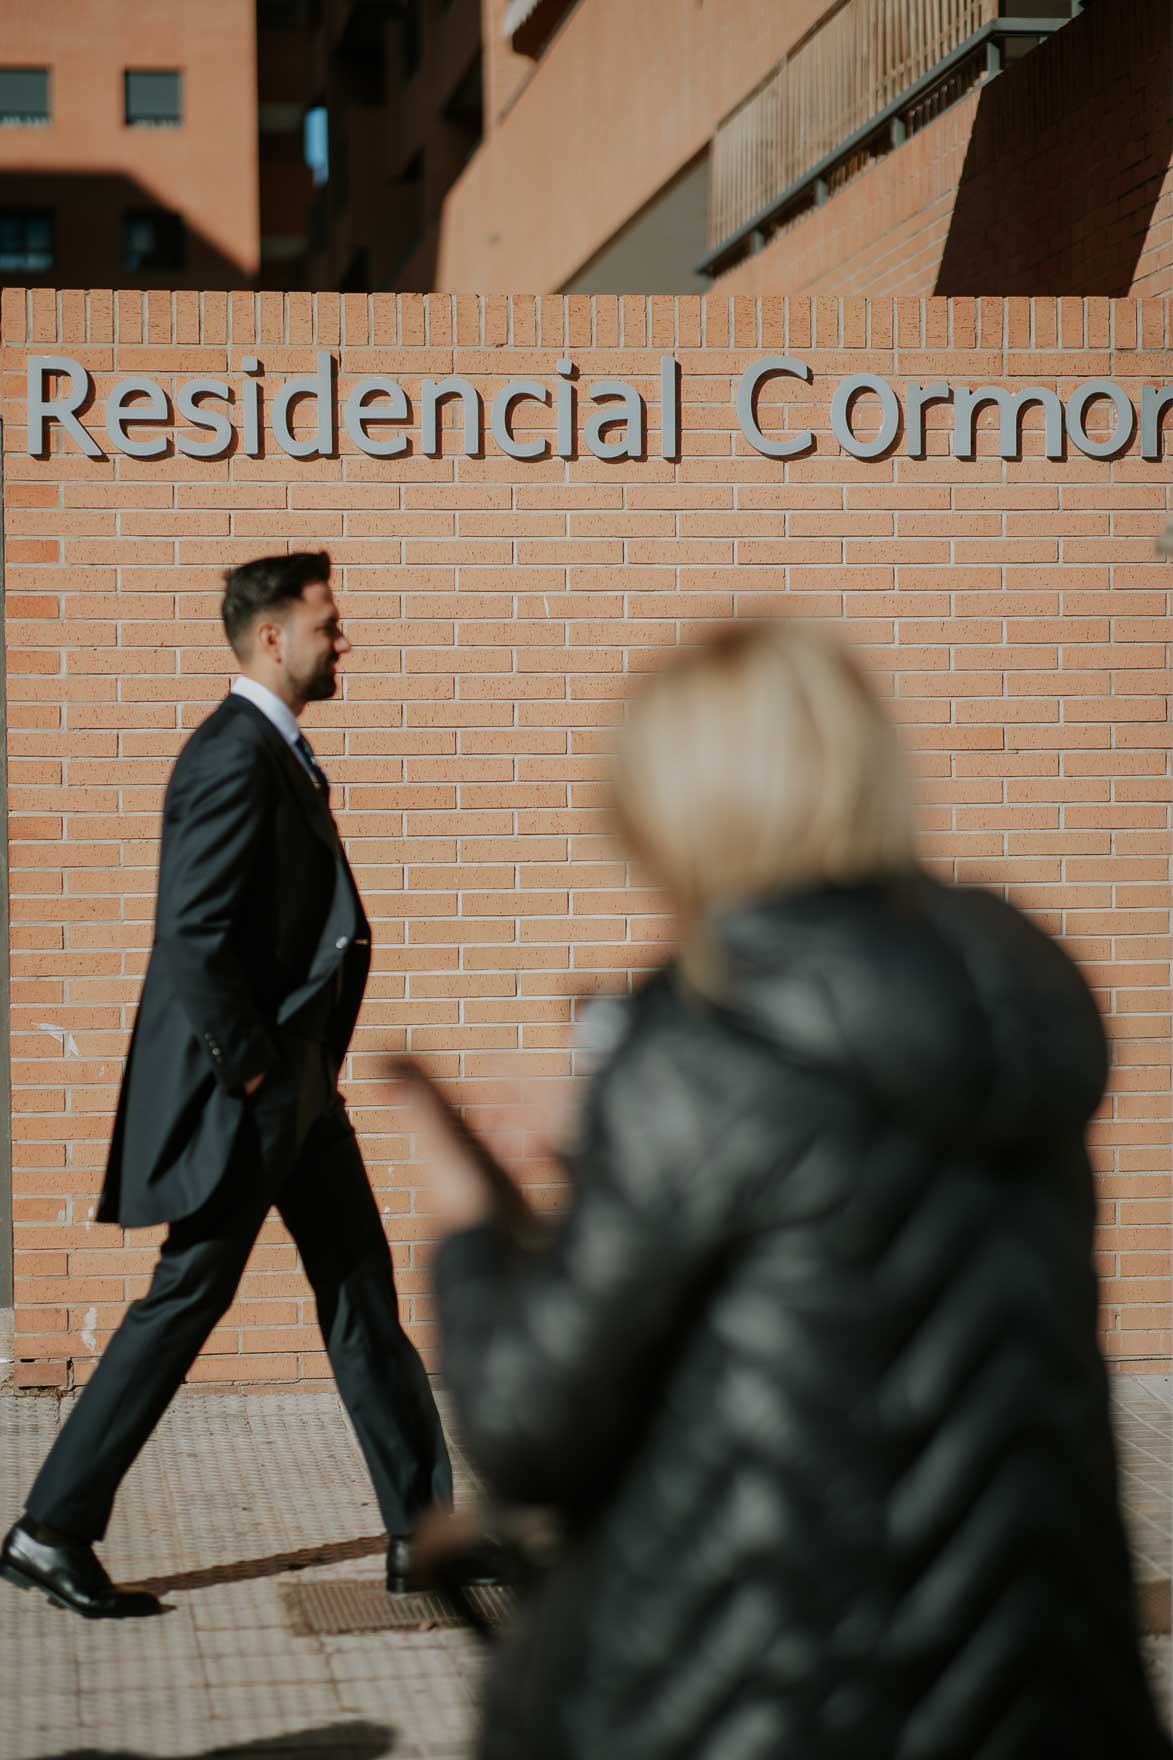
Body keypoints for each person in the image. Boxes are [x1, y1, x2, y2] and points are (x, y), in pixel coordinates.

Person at [405, 620, 1172, 1759]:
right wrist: (619, 1148)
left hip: (761, 1694)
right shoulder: (1008, 1002)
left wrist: (471, 1223)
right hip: (1040, 1691)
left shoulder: (699, 1053)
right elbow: (841, 1253)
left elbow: (525, 1424)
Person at [1, 551, 452, 1618]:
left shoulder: (274, 751)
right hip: (251, 1090)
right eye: (329, 624)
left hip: (295, 1083)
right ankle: (50, 1527)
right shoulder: (232, 756)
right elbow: (192, 938)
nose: (345, 641)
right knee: (186, 1297)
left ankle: (424, 1533)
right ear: (271, 637)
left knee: (359, 1291)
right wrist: (256, 1072)